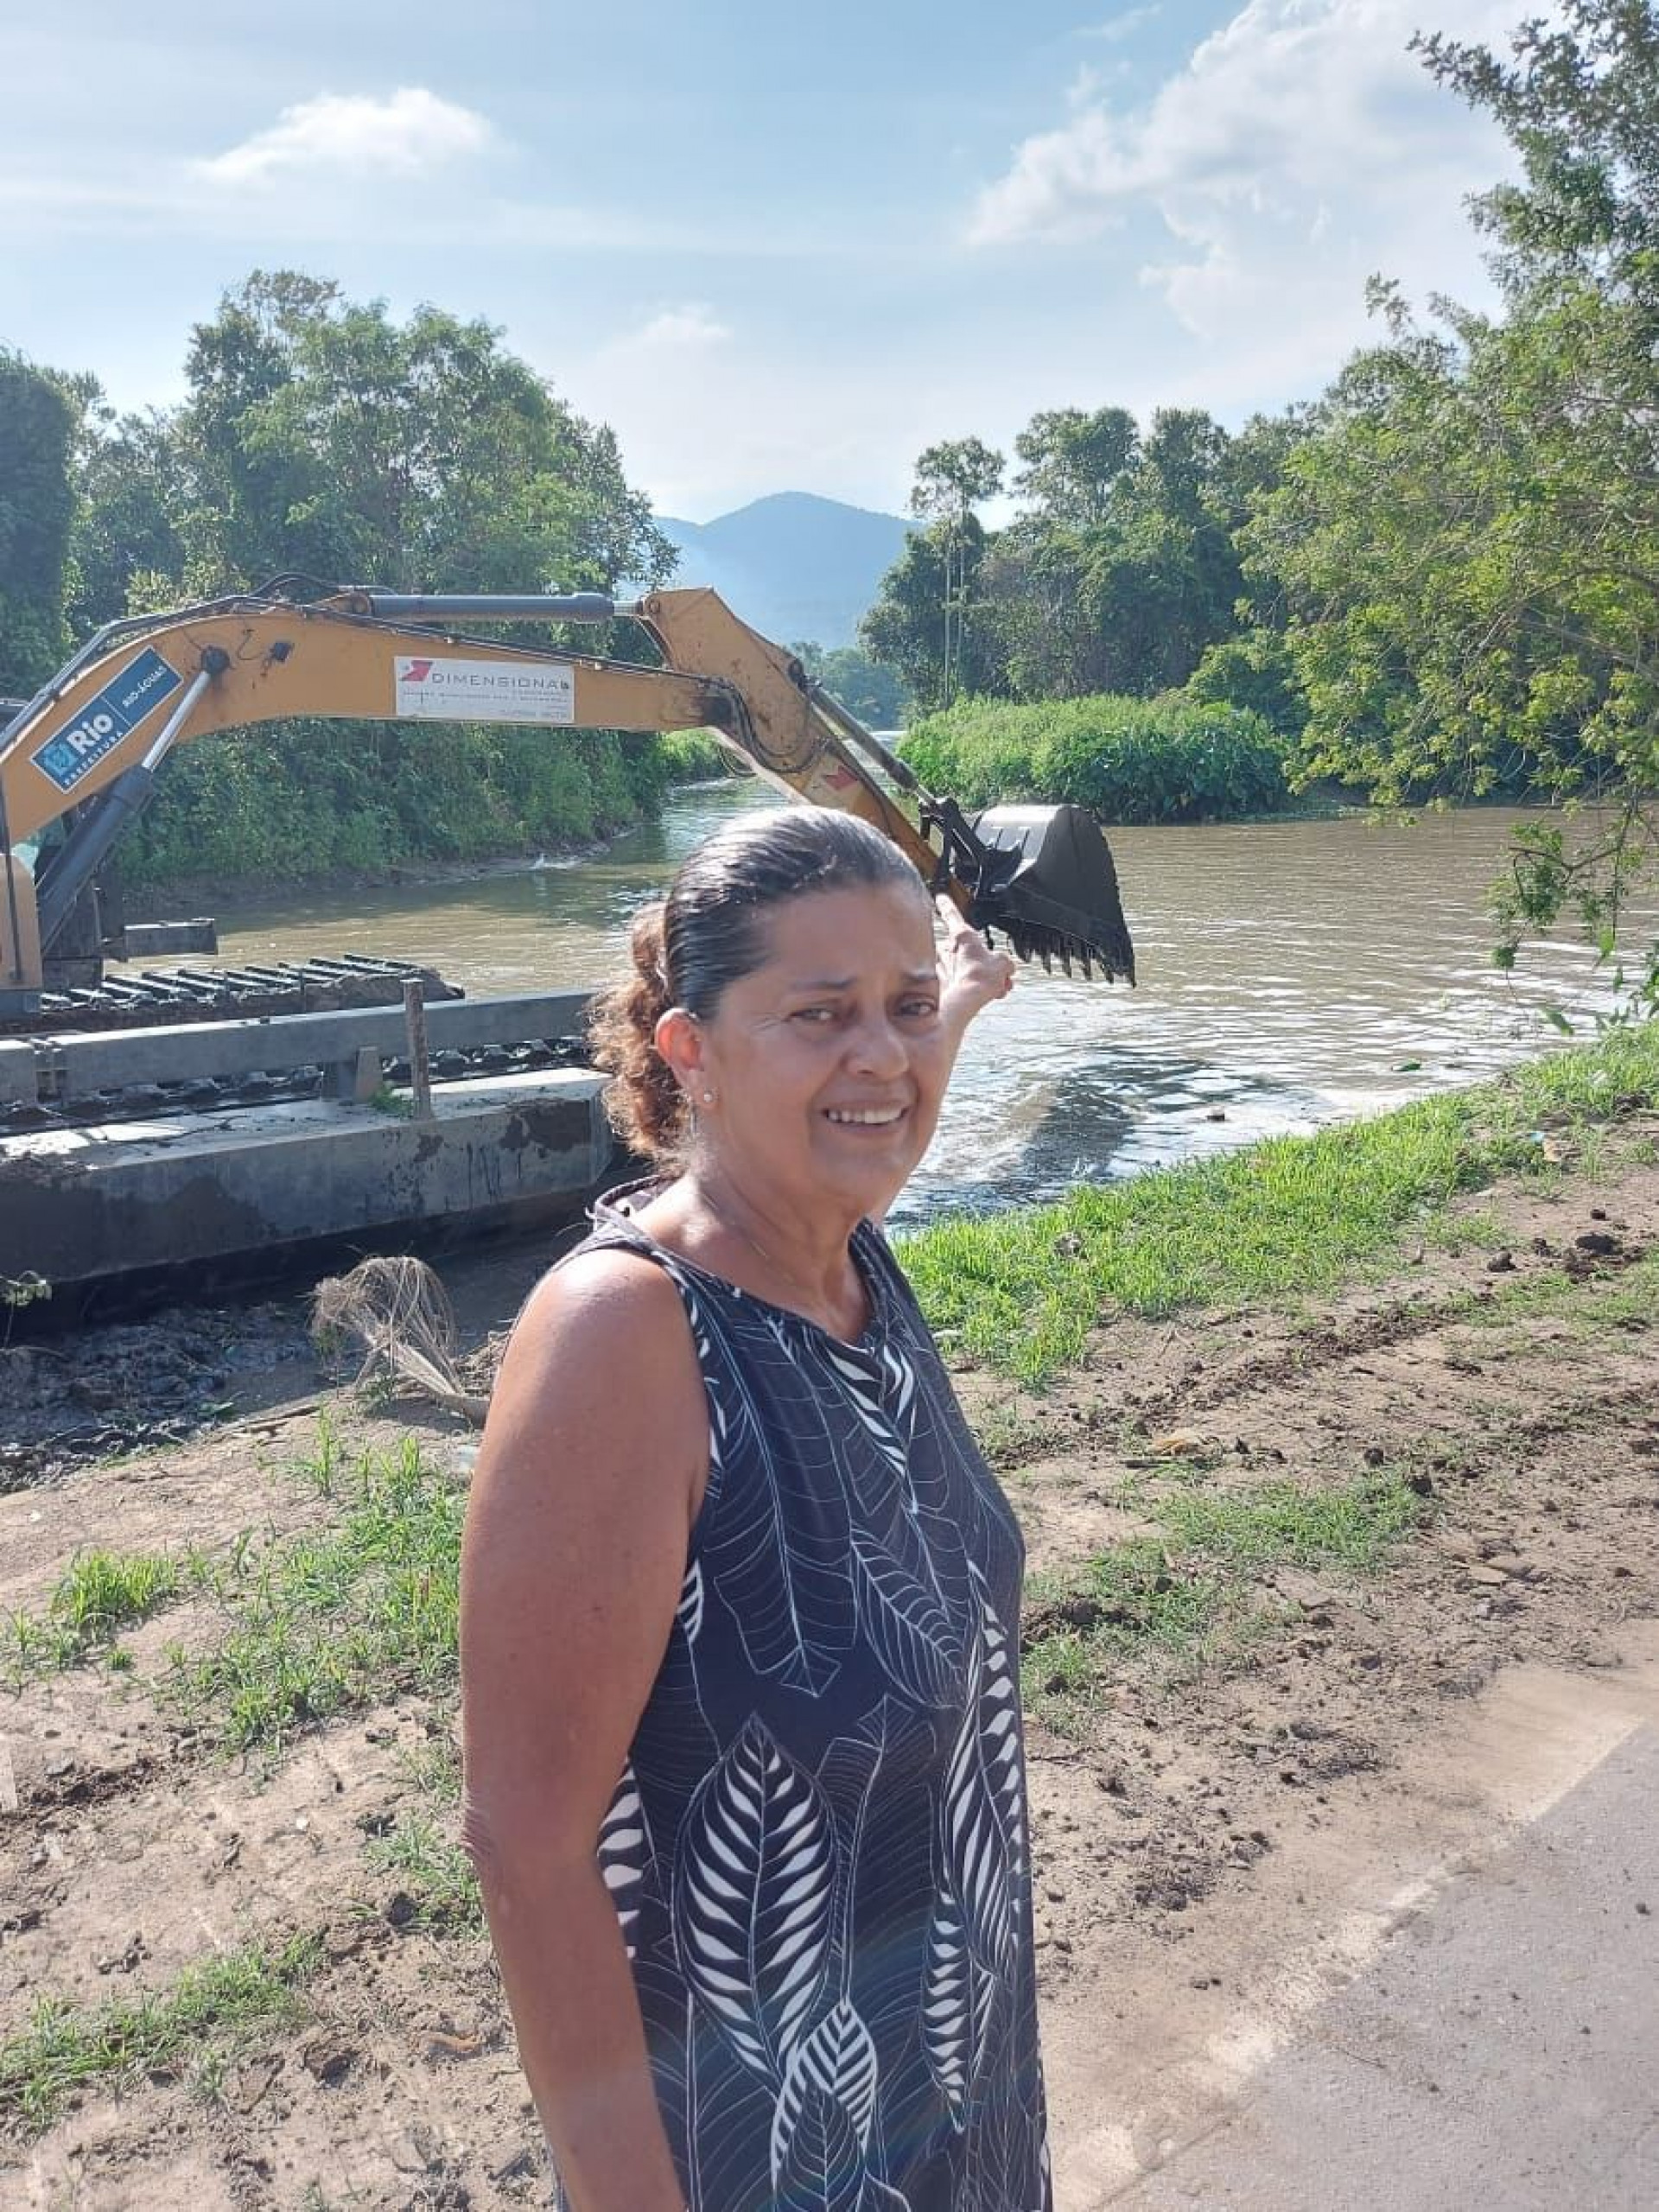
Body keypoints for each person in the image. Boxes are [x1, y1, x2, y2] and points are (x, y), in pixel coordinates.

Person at [461, 805, 1051, 2212]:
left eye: (907, 1010)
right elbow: (526, 1845)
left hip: (956, 2083)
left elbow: (879, 1082)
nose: (885, 1058)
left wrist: (948, 993)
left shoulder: (846, 1256)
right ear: (692, 1052)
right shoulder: (630, 1335)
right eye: (818, 1011)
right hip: (759, 2146)